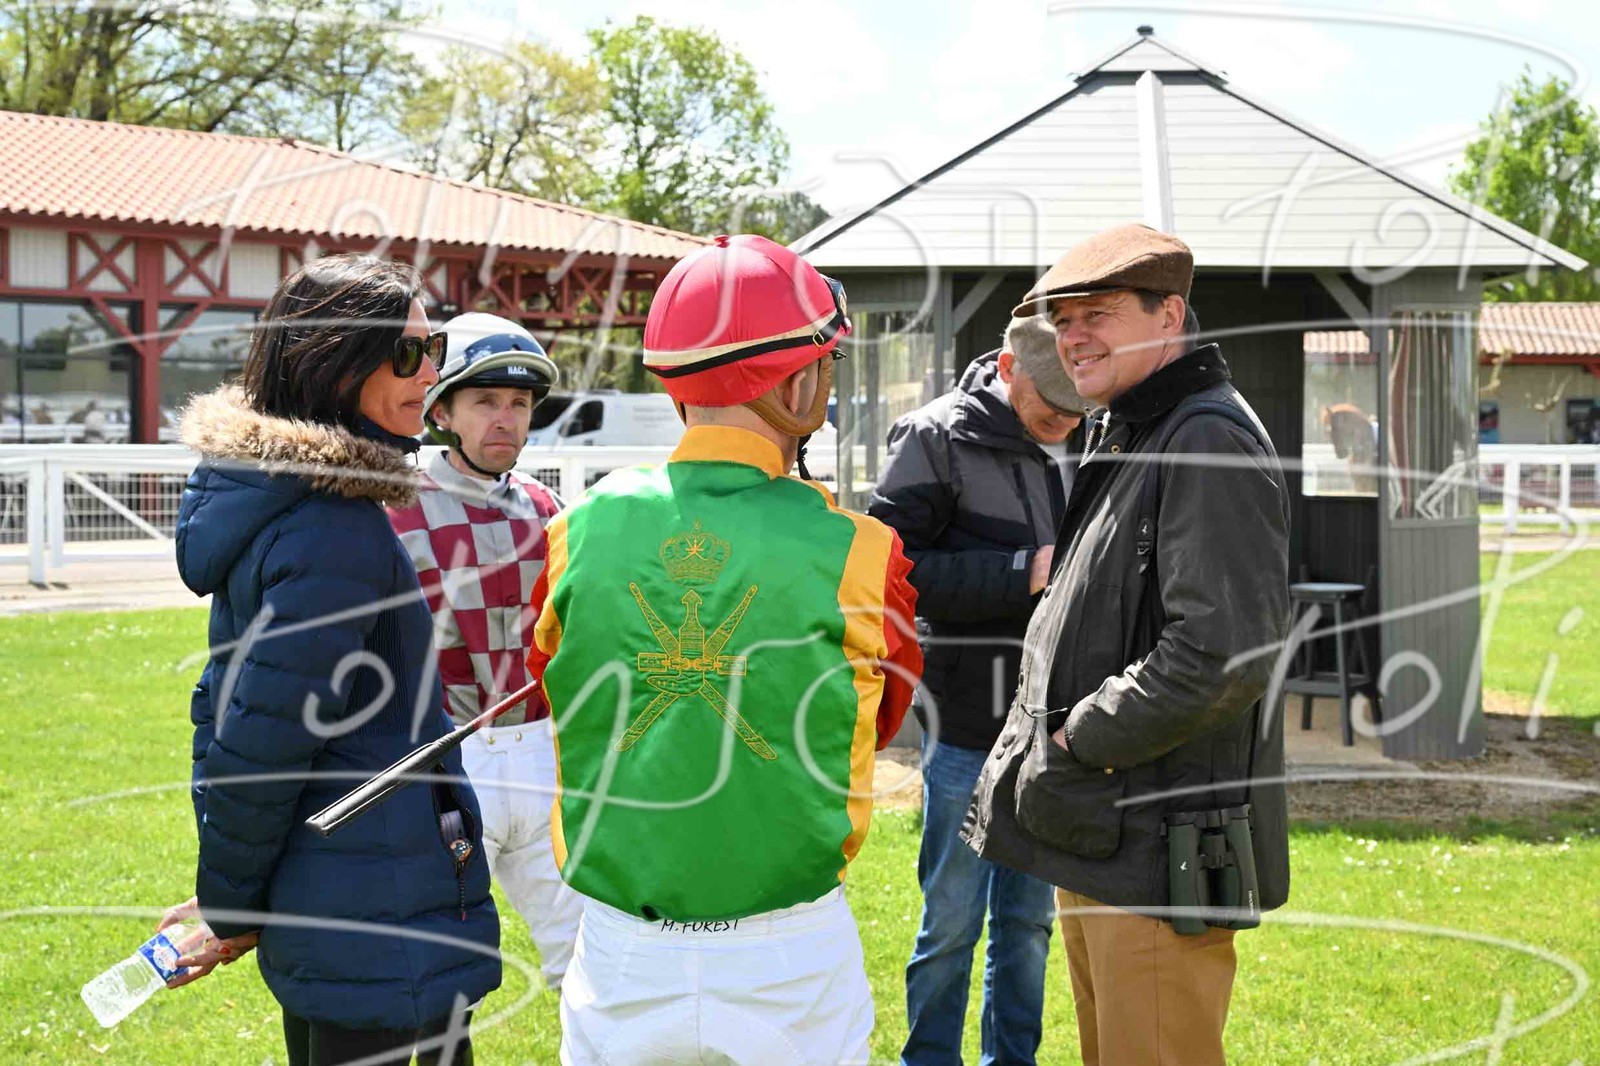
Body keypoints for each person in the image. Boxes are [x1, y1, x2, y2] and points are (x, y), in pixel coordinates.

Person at [525, 234, 923, 1066]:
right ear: (801, 383)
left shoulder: (574, 531)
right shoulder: (864, 549)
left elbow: (554, 692)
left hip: (622, 954)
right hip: (789, 958)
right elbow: (876, 722)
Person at [963, 223, 1292, 1066]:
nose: (1073, 337)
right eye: (1063, 320)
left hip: (1159, 846)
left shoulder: (1205, 436)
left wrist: (1080, 736)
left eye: (1098, 315)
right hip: (1109, 834)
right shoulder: (1139, 425)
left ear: (1168, 314)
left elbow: (1220, 653)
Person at [163, 254, 501, 1066]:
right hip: (372, 908)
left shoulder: (303, 504)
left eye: (435, 349)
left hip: (358, 892)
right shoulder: (331, 529)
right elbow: (261, 744)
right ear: (338, 363)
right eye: (409, 353)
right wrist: (230, 909)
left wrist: (238, 900)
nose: (431, 374)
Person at [867, 314, 1085, 1066]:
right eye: (1052, 406)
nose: (1067, 421)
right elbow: (894, 572)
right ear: (1008, 367)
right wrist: (1022, 571)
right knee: (953, 921)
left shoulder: (1091, 429)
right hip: (968, 719)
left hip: (1055, 722)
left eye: (1077, 406)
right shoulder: (931, 437)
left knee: (1028, 925)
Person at [386, 311, 582, 989]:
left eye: (520, 404)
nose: (506, 420)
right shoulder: (395, 508)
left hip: (545, 753)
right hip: (446, 758)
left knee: (586, 960)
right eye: (486, 402)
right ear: (441, 412)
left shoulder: (550, 509)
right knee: (441, 968)